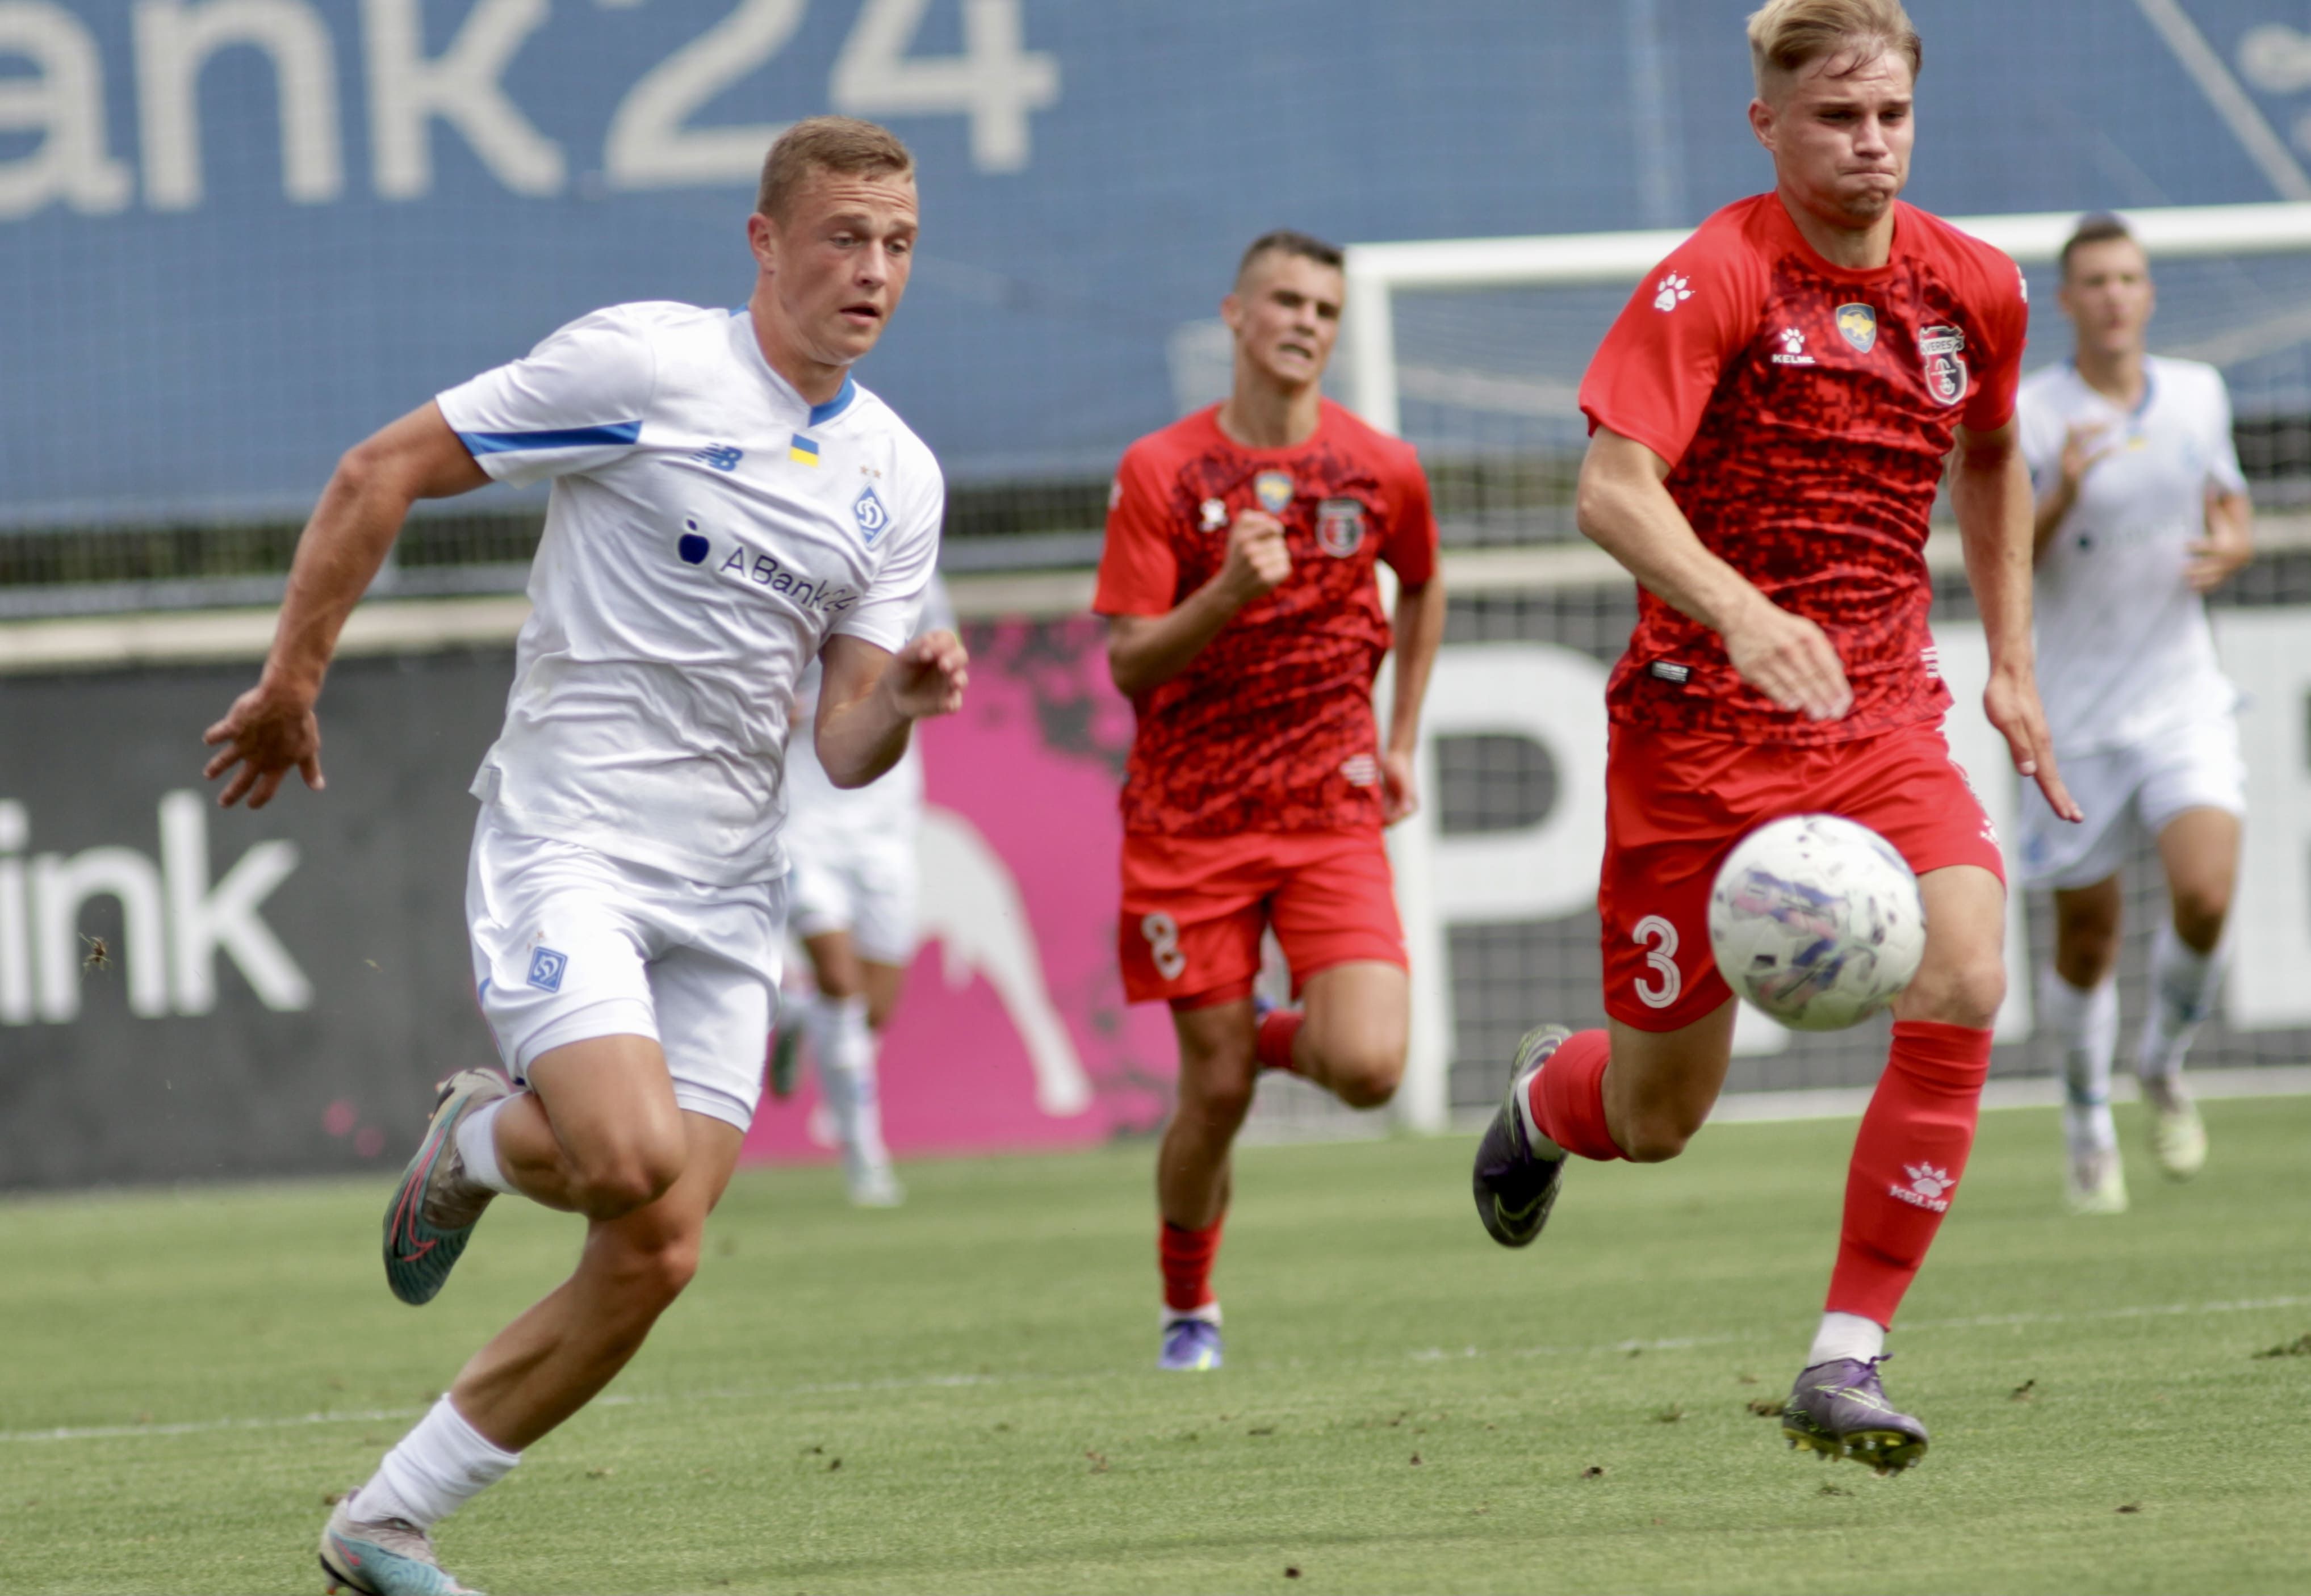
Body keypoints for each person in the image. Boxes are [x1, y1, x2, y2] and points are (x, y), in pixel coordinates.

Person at [202, 116, 965, 1595]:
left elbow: (843, 740)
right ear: (761, 241)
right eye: (841, 237)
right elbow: (381, 469)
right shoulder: (645, 369)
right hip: (573, 846)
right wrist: (293, 678)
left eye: (898, 245)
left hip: (729, 886)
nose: (872, 271)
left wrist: (909, 704)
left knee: (658, 1248)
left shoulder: (896, 476)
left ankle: (382, 1522)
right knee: (626, 1159)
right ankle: (480, 1138)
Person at [1470, 0, 2078, 1474]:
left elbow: (1990, 457)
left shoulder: (1973, 290)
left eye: (1887, 117)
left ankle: (1843, 1354)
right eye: (1831, 118)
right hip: (1697, 732)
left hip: (1876, 706)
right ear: (1766, 125)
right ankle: (1553, 1098)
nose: (1865, 142)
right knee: (1660, 1111)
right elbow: (1611, 490)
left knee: (1966, 969)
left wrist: (2005, 658)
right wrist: (1738, 612)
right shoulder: (1717, 274)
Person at [1095, 229, 1446, 1372]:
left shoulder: (1382, 466)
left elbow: (1427, 582)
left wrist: (1398, 737)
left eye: (1324, 309)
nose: (1305, 322)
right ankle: (1186, 1306)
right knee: (1216, 1091)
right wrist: (1229, 594)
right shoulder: (1162, 471)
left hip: (1328, 808)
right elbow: (1133, 663)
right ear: (1235, 316)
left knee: (1369, 1068)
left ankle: (1242, 1030)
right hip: (1189, 819)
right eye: (1284, 301)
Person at [2016, 214, 2253, 1214]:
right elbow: (2002, 554)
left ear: (2149, 294)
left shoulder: (2199, 391)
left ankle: (2161, 1059)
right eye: (2095, 282)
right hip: (2074, 713)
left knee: (2205, 895)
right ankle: (2085, 1116)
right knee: (2088, 940)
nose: (2114, 296)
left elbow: (2227, 504)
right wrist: (2064, 490)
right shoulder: (2029, 413)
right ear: (2065, 302)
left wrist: (2234, 545)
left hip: (2181, 698)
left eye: (2129, 278)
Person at [767, 574, 958, 1207]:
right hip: (805, 818)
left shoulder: (919, 581)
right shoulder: (791, 564)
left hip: (886, 824)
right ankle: (865, 1163)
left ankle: (791, 1012)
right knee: (841, 983)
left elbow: (945, 656)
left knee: (873, 1007)